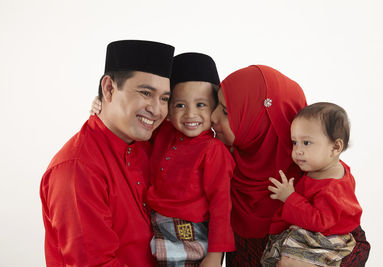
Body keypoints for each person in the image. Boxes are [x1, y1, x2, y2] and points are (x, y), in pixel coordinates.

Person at [210, 65, 370, 267]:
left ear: (260, 121)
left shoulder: (317, 174)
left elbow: (357, 246)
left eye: (225, 111)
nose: (212, 117)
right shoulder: (224, 165)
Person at [40, 40, 174, 266]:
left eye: (164, 99)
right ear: (109, 88)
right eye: (145, 92)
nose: (157, 109)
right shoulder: (77, 169)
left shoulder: (149, 143)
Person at [146, 52, 236, 266]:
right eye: (180, 105)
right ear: (168, 108)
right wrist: (100, 107)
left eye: (201, 105)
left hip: (189, 235)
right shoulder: (163, 132)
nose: (190, 115)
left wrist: (215, 255)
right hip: (155, 227)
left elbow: (221, 206)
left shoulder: (213, 150)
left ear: (215, 107)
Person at [261, 102, 362, 267]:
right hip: (314, 233)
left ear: (335, 147)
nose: (298, 150)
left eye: (306, 143)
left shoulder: (332, 187)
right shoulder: (323, 166)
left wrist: (289, 197)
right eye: (294, 142)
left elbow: (319, 221)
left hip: (327, 239)